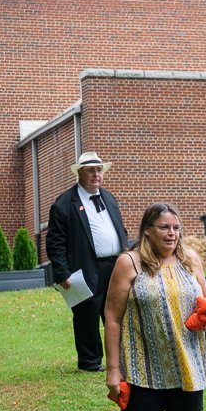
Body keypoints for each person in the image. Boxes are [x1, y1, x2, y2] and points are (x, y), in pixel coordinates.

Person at [103, 203, 206, 411]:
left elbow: (204, 304)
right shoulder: (129, 263)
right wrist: (113, 369)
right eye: (165, 227)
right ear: (147, 230)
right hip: (142, 361)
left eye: (176, 228)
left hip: (185, 357)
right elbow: (112, 317)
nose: (172, 233)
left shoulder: (189, 258)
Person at [46, 152, 130, 372]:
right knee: (87, 313)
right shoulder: (64, 203)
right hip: (84, 266)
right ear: (79, 173)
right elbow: (55, 241)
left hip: (116, 265)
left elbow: (120, 229)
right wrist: (62, 272)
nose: (96, 174)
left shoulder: (109, 197)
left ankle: (120, 358)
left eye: (99, 170)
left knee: (117, 311)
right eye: (90, 170)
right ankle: (89, 361)